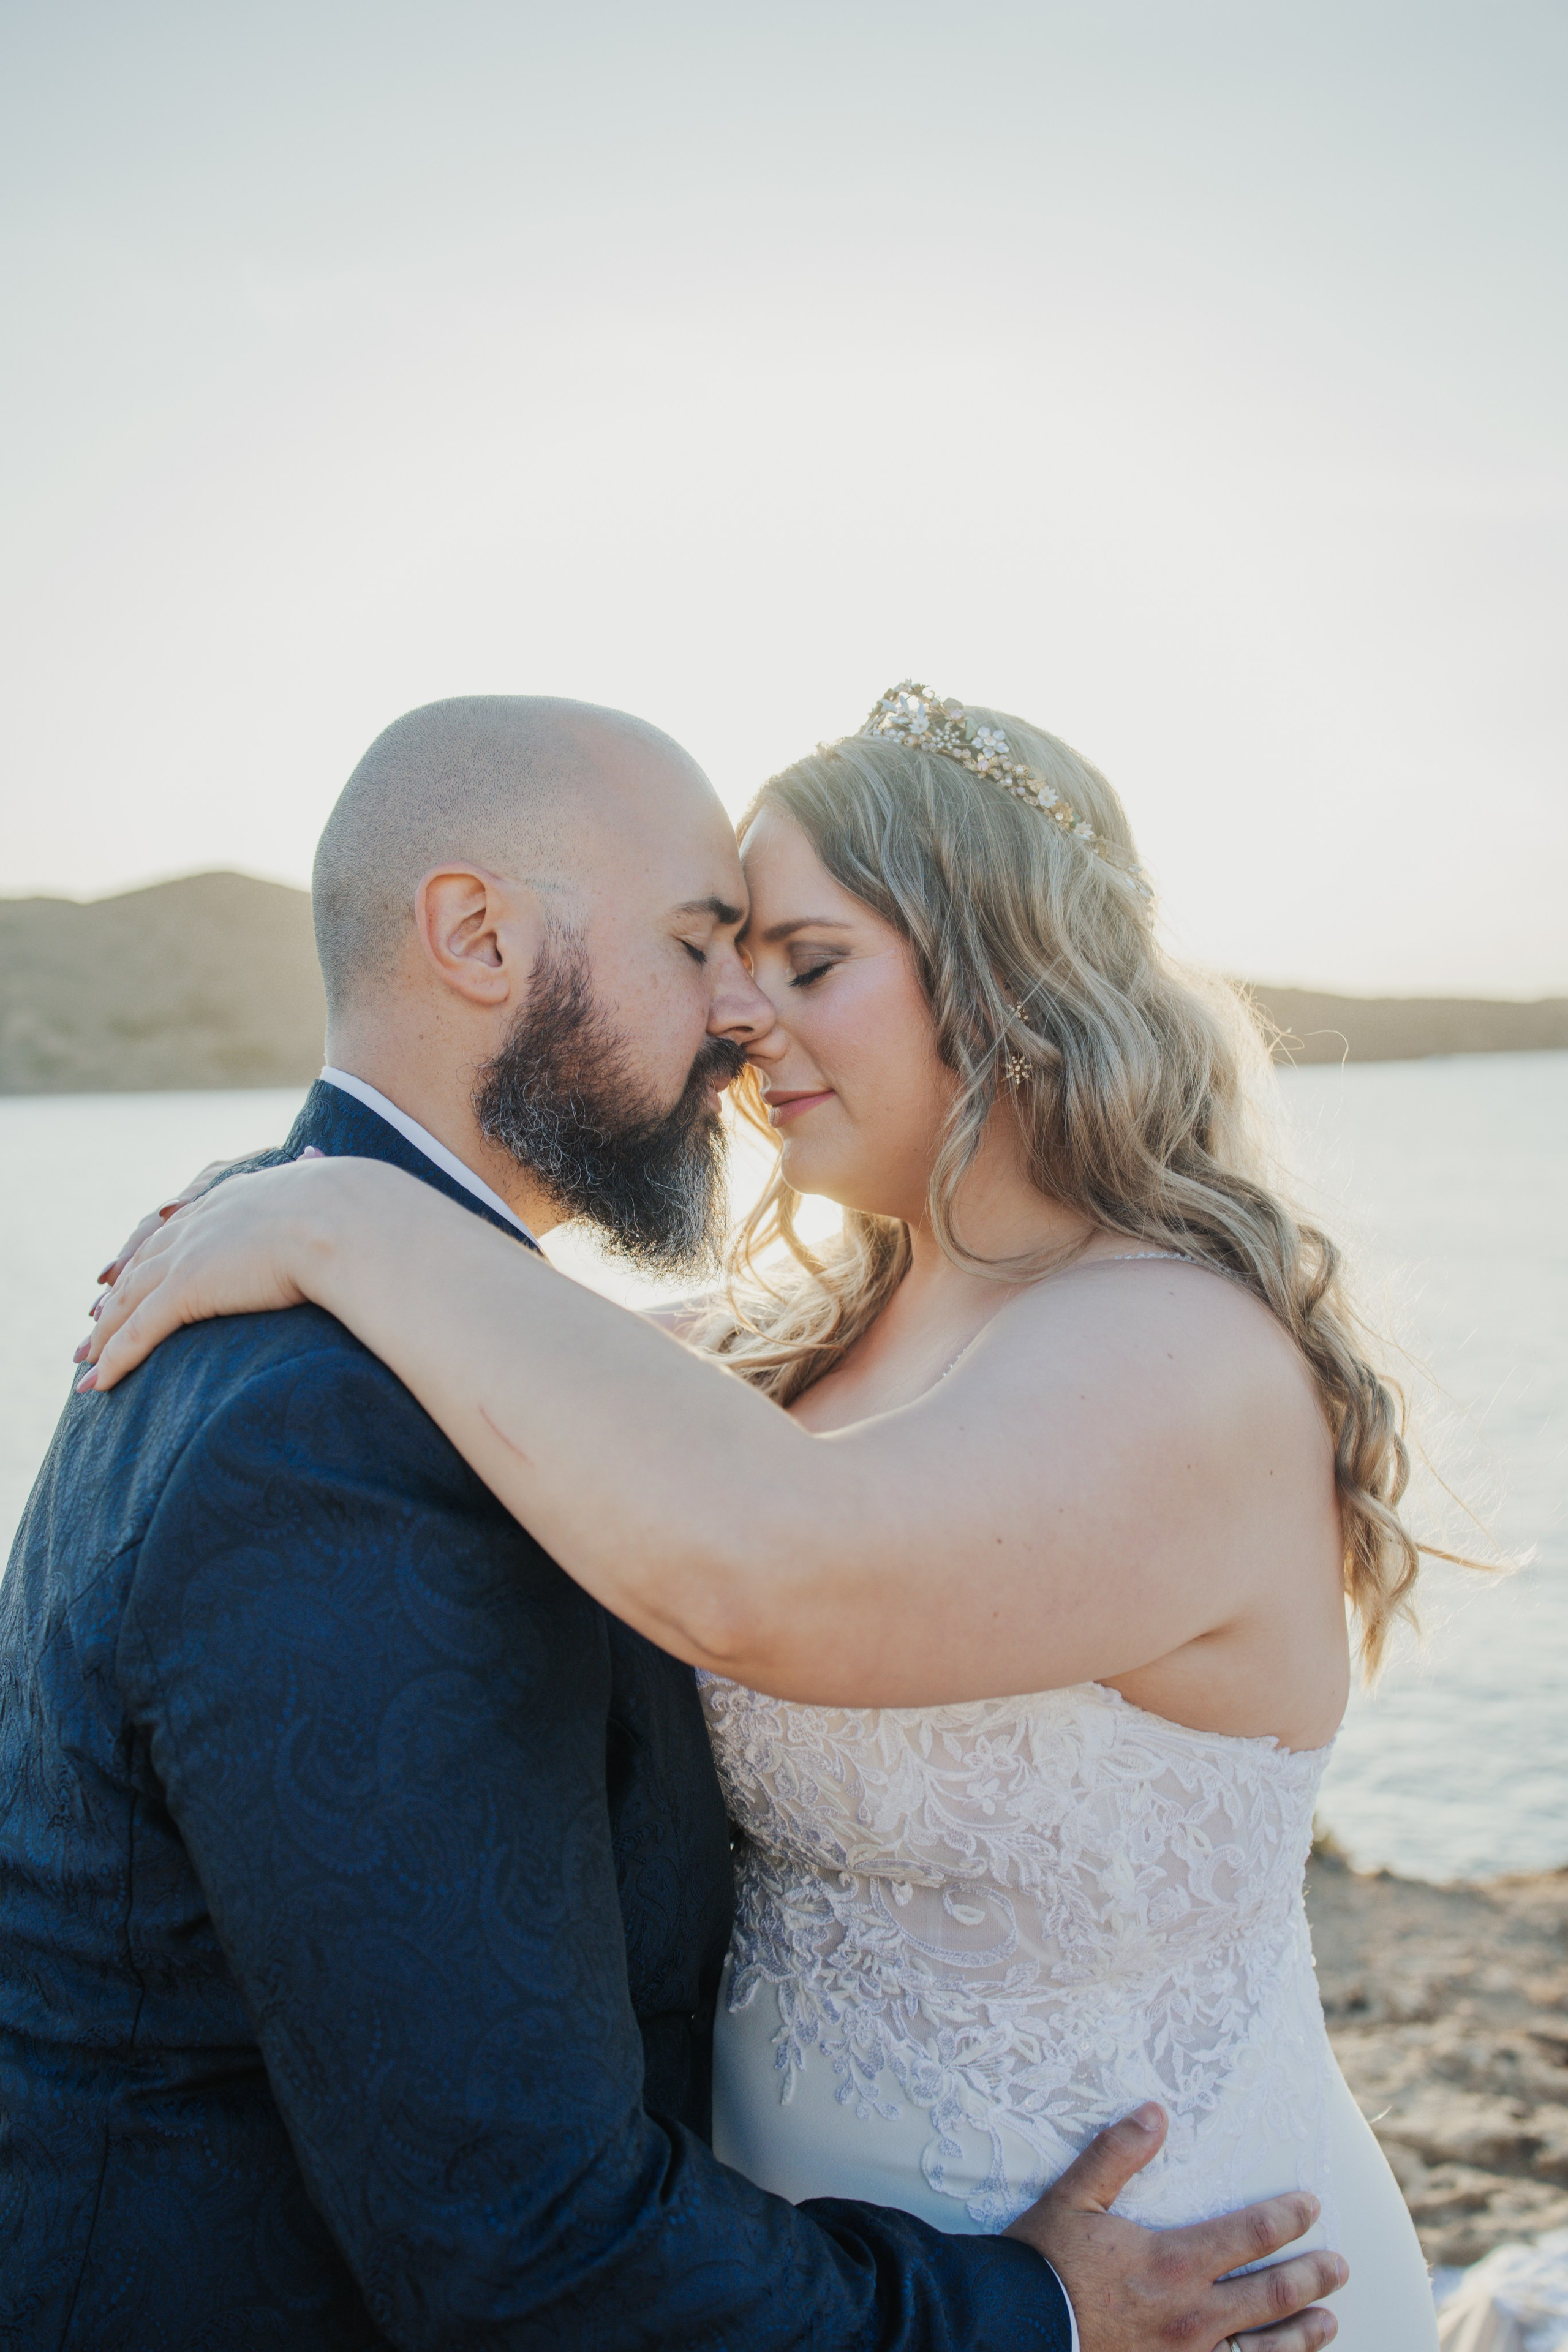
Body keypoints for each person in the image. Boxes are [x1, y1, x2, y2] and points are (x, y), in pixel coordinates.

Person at [76, 685, 1446, 2347]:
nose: (740, 1023)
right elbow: (558, 1411)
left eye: (808, 963)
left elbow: (776, 1573)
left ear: (1006, 969)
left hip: (1166, 2271)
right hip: (807, 2280)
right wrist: (294, 1221)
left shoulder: (1186, 1356)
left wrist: (346, 1215)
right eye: (720, 955)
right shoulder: (797, 1346)